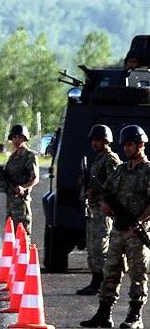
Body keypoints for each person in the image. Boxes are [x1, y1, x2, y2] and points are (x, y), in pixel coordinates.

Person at [80, 125, 150, 328]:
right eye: (125, 145)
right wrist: (106, 206)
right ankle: (104, 314)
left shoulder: (147, 171)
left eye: (130, 144)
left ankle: (135, 316)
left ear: (141, 145)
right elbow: (105, 192)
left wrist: (140, 221)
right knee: (111, 270)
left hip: (137, 232)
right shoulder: (120, 170)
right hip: (119, 229)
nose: (127, 149)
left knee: (138, 273)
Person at [76, 124, 121, 296]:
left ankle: (101, 283)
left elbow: (114, 183)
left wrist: (96, 190)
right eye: (93, 140)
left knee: (100, 246)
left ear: (106, 141)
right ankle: (95, 281)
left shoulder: (110, 159)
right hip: (94, 208)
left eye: (98, 140)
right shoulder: (99, 158)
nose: (95, 143)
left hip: (104, 209)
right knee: (93, 246)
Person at [0, 124, 39, 234]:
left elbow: (35, 178)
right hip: (10, 200)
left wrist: (23, 188)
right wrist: (0, 176)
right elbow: (8, 173)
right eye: (14, 137)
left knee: (22, 232)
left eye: (20, 137)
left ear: (25, 138)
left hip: (21, 200)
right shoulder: (13, 157)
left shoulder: (30, 156)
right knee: (11, 232)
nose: (17, 140)